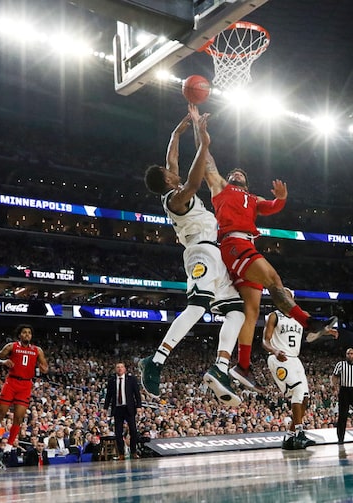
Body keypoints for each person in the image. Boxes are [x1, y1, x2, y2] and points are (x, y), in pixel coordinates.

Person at [196, 104, 338, 391]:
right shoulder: (221, 187)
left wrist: (283, 199)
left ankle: (243, 366)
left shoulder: (253, 198)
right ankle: (310, 323)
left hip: (244, 245)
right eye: (233, 171)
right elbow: (207, 161)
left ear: (246, 181)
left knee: (252, 313)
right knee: (275, 280)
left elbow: (271, 207)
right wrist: (201, 132)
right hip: (234, 243)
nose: (235, 173)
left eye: (240, 173)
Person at [140, 110, 242, 406]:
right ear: (168, 181)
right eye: (170, 173)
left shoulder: (172, 187)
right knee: (197, 308)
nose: (174, 170)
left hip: (214, 253)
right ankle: (155, 361)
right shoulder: (176, 198)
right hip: (201, 251)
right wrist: (203, 145)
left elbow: (172, 158)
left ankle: (220, 367)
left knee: (237, 311)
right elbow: (195, 184)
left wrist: (178, 132)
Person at [262, 287, 338, 450]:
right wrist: (274, 350)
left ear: (292, 300)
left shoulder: (301, 316)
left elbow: (313, 333)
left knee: (305, 399)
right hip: (279, 358)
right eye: (281, 297)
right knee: (297, 391)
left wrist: (325, 332)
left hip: (295, 360)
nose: (283, 300)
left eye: (286, 297)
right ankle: (300, 434)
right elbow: (265, 341)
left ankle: (289, 439)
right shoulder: (275, 316)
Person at [0, 324, 49, 462]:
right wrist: (4, 361)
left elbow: (45, 368)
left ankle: (8, 448)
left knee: (18, 418)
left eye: (29, 333)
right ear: (19, 335)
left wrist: (43, 368)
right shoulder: (11, 346)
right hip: (11, 383)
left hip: (25, 385)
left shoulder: (37, 350)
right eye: (24, 332)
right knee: (0, 415)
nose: (27, 335)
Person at [103, 362, 143, 460]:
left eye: (121, 367)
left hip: (129, 408)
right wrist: (105, 408)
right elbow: (108, 396)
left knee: (133, 431)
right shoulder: (112, 380)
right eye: (118, 367)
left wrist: (139, 406)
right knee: (118, 432)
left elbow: (137, 394)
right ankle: (121, 453)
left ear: (124, 369)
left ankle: (133, 452)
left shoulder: (131, 379)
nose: (120, 369)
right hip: (118, 409)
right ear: (115, 369)